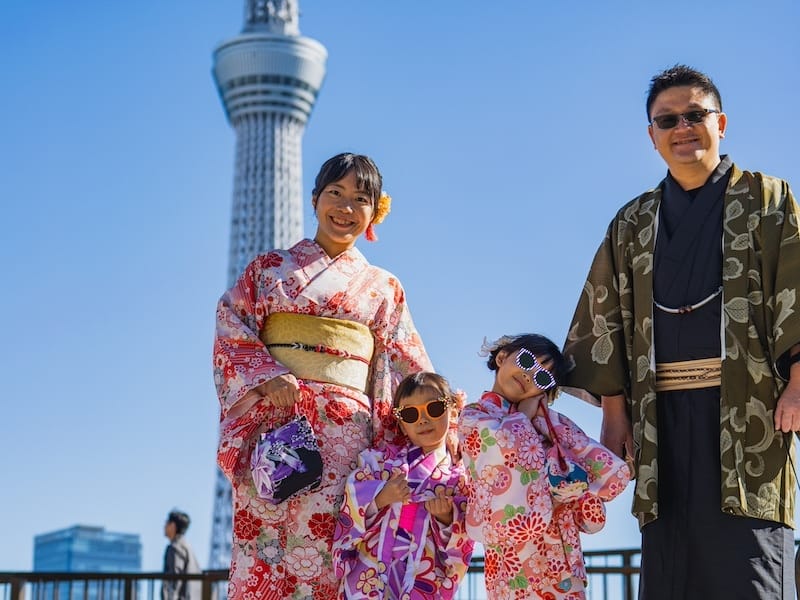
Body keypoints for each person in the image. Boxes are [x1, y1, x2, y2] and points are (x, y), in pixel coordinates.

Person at [562, 64, 800, 599]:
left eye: (695, 115)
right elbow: (609, 321)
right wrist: (615, 416)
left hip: (748, 411)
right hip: (658, 421)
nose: (682, 128)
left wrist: (799, 380)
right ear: (652, 136)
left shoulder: (769, 200)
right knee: (672, 570)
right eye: (667, 120)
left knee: (753, 566)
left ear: (722, 122)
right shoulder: (632, 222)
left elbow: (796, 288)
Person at [213, 153, 433, 600]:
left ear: (375, 213)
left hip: (350, 443)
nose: (346, 208)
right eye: (335, 193)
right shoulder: (268, 270)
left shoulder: (383, 287)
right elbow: (231, 325)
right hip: (278, 428)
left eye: (360, 199)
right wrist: (267, 374)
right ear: (315, 199)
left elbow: (411, 369)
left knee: (342, 551)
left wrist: (443, 419)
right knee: (267, 550)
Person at [458, 334, 630, 599]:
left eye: (542, 378)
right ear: (502, 356)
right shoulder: (474, 415)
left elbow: (579, 460)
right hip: (511, 549)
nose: (529, 375)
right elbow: (494, 449)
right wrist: (523, 417)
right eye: (526, 361)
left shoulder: (552, 424)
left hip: (558, 547)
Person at [332, 371, 474, 599]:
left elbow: (466, 535)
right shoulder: (379, 461)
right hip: (371, 570)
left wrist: (448, 517)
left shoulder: (460, 477)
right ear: (401, 422)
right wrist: (380, 496)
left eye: (434, 408)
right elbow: (353, 493)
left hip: (424, 573)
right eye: (410, 414)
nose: (423, 419)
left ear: (453, 410)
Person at [162, 510, 201, 600]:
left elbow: (175, 579)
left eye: (166, 523)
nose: (164, 526)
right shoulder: (187, 547)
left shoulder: (175, 548)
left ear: (173, 526)